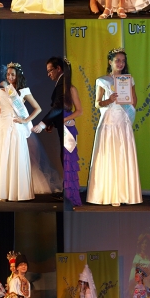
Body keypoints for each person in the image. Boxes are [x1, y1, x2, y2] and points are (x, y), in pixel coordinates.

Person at [86, 48, 142, 206]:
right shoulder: (102, 80)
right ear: (110, 61)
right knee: (109, 155)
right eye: (117, 60)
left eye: (123, 61)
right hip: (109, 122)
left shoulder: (128, 79)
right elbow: (97, 104)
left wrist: (127, 99)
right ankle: (109, 195)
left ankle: (125, 194)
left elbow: (134, 101)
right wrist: (109, 100)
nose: (120, 63)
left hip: (123, 121)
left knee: (123, 155)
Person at [0, 63, 41, 202]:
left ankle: (16, 193)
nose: (10, 77)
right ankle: (2, 193)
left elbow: (38, 108)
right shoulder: (2, 91)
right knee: (3, 157)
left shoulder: (23, 91)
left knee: (15, 157)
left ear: (18, 76)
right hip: (2, 127)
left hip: (16, 127)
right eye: (8, 74)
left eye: (12, 74)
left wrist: (25, 120)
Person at [63, 60, 82, 207]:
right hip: (59, 128)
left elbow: (79, 111)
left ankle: (70, 197)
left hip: (68, 129)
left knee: (68, 163)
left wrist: (65, 119)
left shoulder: (71, 89)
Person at [40, 57, 64, 163]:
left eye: (50, 71)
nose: (48, 74)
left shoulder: (62, 83)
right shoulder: (60, 82)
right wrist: (52, 122)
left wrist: (43, 123)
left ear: (58, 68)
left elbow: (58, 106)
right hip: (60, 123)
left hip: (66, 124)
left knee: (65, 156)